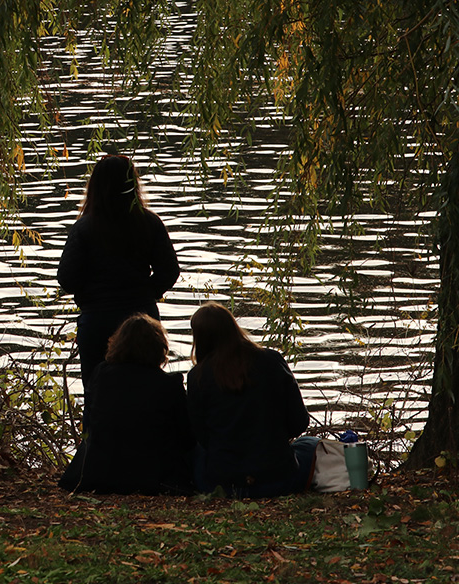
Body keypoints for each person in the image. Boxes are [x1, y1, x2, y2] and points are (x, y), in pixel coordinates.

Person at [57, 154, 180, 385]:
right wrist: (145, 293)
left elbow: (67, 279)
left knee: (97, 391)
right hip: (143, 321)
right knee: (146, 387)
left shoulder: (83, 228)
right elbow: (170, 271)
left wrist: (92, 295)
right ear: (132, 185)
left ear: (95, 187)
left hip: (97, 320)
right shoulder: (149, 222)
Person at [185, 302, 317, 497]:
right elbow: (299, 423)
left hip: (224, 485)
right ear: (233, 328)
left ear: (199, 338)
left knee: (196, 452)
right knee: (310, 444)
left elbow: (202, 437)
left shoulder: (197, 376)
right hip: (278, 480)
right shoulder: (271, 360)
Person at [58, 313, 194, 495]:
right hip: (152, 476)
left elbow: (91, 419)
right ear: (159, 346)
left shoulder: (101, 375)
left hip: (100, 473)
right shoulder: (168, 384)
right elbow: (186, 436)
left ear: (118, 343)